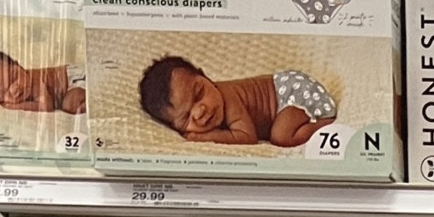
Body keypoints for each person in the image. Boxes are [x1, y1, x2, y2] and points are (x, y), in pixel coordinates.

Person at [139, 56, 337, 150]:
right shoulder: (213, 103)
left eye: (199, 93)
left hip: (293, 93)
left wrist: (205, 137)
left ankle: (326, 124)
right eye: (185, 118)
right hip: (288, 97)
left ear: (206, 77)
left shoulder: (228, 97)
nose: (200, 111)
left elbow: (246, 137)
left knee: (281, 136)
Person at [0, 52, 85, 117]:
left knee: (69, 105)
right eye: (6, 92)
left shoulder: (33, 81)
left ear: (19, 65)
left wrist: (13, 106)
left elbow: (47, 106)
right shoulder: (20, 90)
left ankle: (93, 99)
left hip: (73, 78)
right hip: (72, 85)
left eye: (15, 77)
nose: (15, 88)